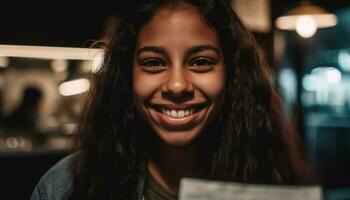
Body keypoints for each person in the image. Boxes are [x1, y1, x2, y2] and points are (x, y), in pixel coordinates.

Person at [31, 0, 315, 199]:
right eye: (154, 63)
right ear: (127, 77)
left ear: (232, 76)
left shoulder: (272, 182)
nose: (177, 85)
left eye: (201, 62)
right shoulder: (66, 187)